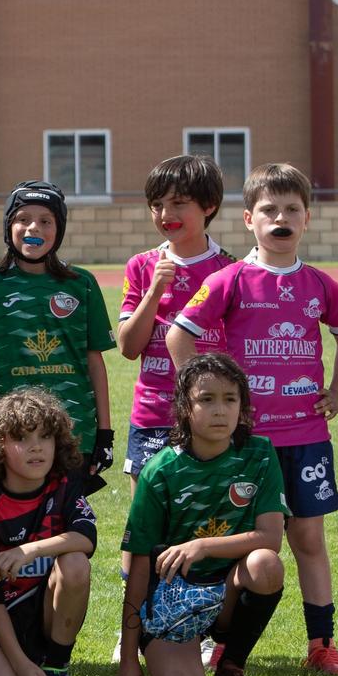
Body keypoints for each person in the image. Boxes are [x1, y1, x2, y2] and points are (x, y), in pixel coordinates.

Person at [168, 163, 338, 676]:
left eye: (292, 209)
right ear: (249, 219)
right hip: (246, 445)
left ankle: (321, 645)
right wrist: (204, 401)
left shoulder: (321, 285)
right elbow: (177, 337)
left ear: (307, 219)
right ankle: (219, 640)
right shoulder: (228, 280)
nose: (281, 218)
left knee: (310, 541)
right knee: (239, 544)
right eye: (269, 210)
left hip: (305, 436)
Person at [117, 353, 287, 676]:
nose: (220, 410)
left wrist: (202, 546)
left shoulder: (260, 454)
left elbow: (271, 538)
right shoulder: (160, 471)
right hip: (173, 596)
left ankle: (231, 665)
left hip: (227, 589)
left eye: (230, 399)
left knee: (266, 565)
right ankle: (179, 646)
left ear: (242, 405)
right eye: (206, 400)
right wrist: (128, 662)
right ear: (184, 407)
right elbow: (138, 567)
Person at [0, 182, 114, 491]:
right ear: (9, 227)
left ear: (59, 230)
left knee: (68, 516)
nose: (34, 227)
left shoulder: (82, 284)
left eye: (46, 220)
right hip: (12, 430)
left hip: (74, 427)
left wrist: (105, 432)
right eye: (23, 219)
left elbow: (94, 362)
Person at [0, 390, 96, 676]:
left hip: (43, 610)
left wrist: (29, 550)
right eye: (22, 438)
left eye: (45, 437)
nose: (36, 447)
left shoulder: (64, 486)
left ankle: (57, 667)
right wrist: (20, 666)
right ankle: (26, 664)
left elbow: (86, 538)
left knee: (75, 562)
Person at [116, 155, 235, 499]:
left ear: (209, 206)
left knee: (208, 510)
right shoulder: (141, 266)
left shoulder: (230, 269)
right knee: (147, 517)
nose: (166, 214)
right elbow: (127, 348)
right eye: (157, 205)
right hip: (153, 411)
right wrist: (154, 291)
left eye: (179, 203)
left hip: (211, 411)